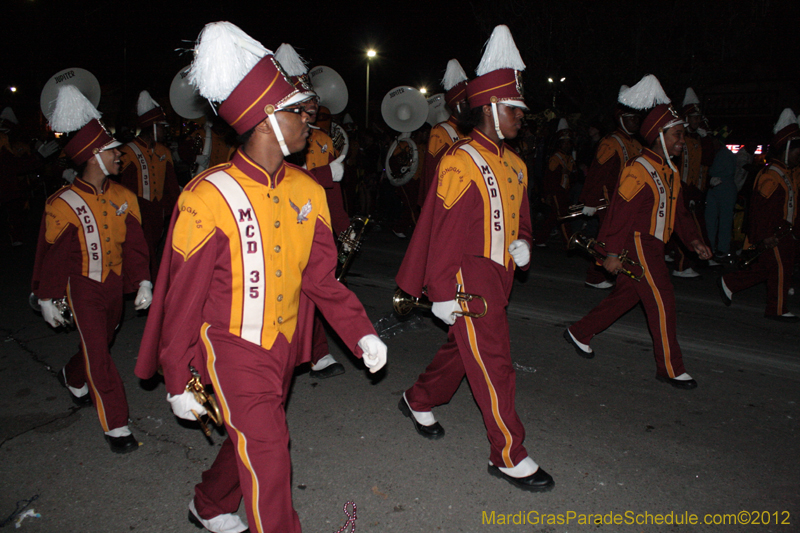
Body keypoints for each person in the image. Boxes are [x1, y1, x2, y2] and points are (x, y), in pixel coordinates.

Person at [134, 22, 387, 533]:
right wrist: (180, 376)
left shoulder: (308, 191)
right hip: (227, 346)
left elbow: (321, 278)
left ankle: (207, 504)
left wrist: (359, 330)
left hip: (282, 344)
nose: (310, 127)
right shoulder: (207, 195)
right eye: (301, 114)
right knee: (270, 448)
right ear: (271, 117)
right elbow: (182, 299)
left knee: (248, 437)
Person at [396, 25, 554, 493]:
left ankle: (417, 397)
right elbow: (443, 234)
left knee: (469, 353)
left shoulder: (517, 164)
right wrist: (441, 291)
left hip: (497, 275)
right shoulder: (459, 159)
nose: (522, 118)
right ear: (490, 108)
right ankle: (509, 453)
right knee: (495, 360)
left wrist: (524, 244)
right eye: (515, 110)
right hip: (466, 276)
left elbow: (520, 220)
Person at [563, 74, 712, 390]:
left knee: (625, 298)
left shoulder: (668, 170)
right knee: (663, 300)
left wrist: (695, 240)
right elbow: (619, 214)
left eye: (682, 136)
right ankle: (670, 368)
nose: (681, 142)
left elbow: (680, 213)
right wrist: (610, 253)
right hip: (638, 244)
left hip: (654, 244)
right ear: (659, 136)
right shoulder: (639, 168)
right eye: (677, 136)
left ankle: (579, 331)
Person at [31, 85, 152, 453]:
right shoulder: (63, 203)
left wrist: (143, 281)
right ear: (94, 156)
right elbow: (52, 255)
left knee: (101, 341)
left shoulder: (124, 196)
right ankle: (116, 424)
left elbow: (134, 245)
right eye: (113, 151)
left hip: (114, 285)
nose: (120, 156)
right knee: (99, 352)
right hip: (82, 286)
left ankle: (72, 372)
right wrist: (48, 296)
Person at [275, 42, 350, 379]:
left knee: (317, 287)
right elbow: (283, 180)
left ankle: (317, 353)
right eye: (301, 104)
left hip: (313, 226)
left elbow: (330, 193)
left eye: (310, 102)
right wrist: (324, 174)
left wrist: (343, 227)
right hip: (282, 226)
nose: (309, 109)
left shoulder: (321, 140)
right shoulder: (276, 139)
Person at [718, 108, 799, 322]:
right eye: (796, 149)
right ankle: (777, 308)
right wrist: (765, 236)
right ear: (786, 148)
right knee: (779, 269)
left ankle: (730, 282)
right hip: (773, 234)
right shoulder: (771, 175)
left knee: (767, 269)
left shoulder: (786, 173)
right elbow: (761, 211)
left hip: (783, 233)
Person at [579, 88, 643, 289]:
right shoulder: (610, 142)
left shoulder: (637, 144)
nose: (636, 122)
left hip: (628, 201)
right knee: (607, 241)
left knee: (623, 241)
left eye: (637, 118)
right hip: (609, 201)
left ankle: (621, 275)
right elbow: (598, 174)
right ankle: (595, 276)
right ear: (621, 118)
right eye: (631, 118)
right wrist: (591, 201)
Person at [118, 91, 180, 280]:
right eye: (162, 127)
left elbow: (170, 184)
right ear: (152, 127)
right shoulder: (127, 151)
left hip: (157, 213)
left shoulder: (164, 151)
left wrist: (172, 211)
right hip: (138, 212)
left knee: (153, 250)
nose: (165, 131)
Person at [669, 87, 710, 278]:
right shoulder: (680, 137)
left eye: (698, 117)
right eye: (693, 117)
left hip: (694, 188)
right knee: (681, 222)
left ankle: (682, 260)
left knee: (690, 224)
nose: (697, 120)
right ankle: (680, 264)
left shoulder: (698, 138)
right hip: (681, 186)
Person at [419, 59, 470, 208]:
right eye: (468, 102)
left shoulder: (474, 129)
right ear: (458, 105)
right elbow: (432, 172)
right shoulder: (440, 131)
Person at [533, 118, 575, 246]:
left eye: (568, 143)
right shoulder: (555, 159)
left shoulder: (569, 158)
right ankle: (568, 241)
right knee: (562, 217)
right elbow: (549, 179)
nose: (567, 145)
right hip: (557, 192)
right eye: (564, 143)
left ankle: (540, 239)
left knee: (553, 218)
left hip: (565, 191)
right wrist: (548, 194)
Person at [705, 138, 738, 263]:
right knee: (710, 219)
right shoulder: (716, 153)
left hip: (725, 188)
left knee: (725, 220)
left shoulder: (725, 154)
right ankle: (710, 247)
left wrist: (713, 174)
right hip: (715, 188)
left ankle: (722, 249)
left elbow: (729, 171)